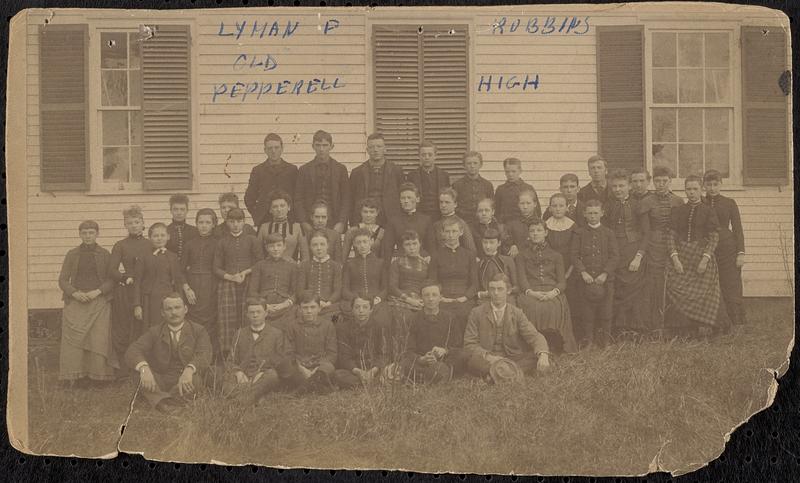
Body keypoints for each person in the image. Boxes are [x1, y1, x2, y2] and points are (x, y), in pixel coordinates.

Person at [665, 176, 730, 335]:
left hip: (701, 256)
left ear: (701, 190)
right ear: (685, 190)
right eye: (688, 189)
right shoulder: (678, 210)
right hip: (682, 256)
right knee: (676, 285)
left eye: (695, 189)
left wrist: (705, 259)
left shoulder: (708, 211)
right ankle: (684, 329)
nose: (692, 193)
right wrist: (675, 258)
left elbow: (714, 236)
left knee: (706, 291)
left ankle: (708, 327)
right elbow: (670, 236)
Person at [125, 294, 212, 414]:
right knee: (137, 375)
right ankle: (171, 403)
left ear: (185, 309)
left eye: (177, 308)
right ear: (162, 313)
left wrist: (189, 370)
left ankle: (161, 402)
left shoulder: (198, 330)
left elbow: (204, 354)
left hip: (186, 379)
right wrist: (144, 368)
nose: (173, 312)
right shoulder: (154, 331)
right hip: (162, 380)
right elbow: (133, 350)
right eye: (169, 309)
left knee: (196, 380)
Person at [58, 220, 118, 385]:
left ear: (97, 234)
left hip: (98, 301)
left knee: (98, 339)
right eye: (84, 233)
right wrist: (75, 293)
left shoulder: (105, 254)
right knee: (74, 341)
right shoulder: (72, 254)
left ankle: (97, 378)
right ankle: (75, 377)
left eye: (91, 232)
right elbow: (63, 279)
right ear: (79, 234)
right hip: (77, 300)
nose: (88, 236)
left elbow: (112, 279)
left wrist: (97, 292)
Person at [463, 274, 551, 380]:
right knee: (471, 360)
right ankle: (511, 373)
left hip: (512, 357)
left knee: (535, 356)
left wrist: (543, 355)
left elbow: (535, 336)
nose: (496, 293)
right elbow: (469, 344)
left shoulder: (516, 313)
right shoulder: (476, 312)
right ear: (488, 291)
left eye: (500, 289)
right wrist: (489, 357)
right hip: (488, 358)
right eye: (492, 289)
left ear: (508, 291)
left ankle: (494, 375)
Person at [516, 219, 577, 353]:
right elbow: (522, 280)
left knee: (554, 305)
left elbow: (562, 282)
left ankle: (555, 343)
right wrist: (532, 293)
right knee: (530, 305)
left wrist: (553, 293)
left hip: (551, 290)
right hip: (531, 291)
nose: (535, 234)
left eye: (539, 230)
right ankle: (533, 344)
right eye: (532, 231)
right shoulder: (521, 255)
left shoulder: (556, 255)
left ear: (546, 233)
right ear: (528, 234)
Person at [213, 207, 264, 358]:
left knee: (246, 316)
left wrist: (245, 272)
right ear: (227, 222)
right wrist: (230, 277)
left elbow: (260, 262)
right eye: (232, 221)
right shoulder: (222, 242)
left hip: (248, 282)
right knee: (228, 319)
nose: (235, 225)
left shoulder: (251, 240)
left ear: (244, 222)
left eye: (239, 221)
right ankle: (229, 355)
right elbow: (216, 268)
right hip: (228, 284)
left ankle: (248, 352)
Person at [604, 170, 649, 334]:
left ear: (629, 186)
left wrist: (638, 257)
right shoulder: (608, 205)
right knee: (617, 289)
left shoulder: (639, 205)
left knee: (634, 290)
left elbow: (646, 233)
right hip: (615, 251)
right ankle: (618, 328)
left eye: (621, 186)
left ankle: (635, 329)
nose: (618, 189)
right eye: (614, 186)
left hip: (633, 250)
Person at [639, 166, 684, 329]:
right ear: (653, 182)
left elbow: (681, 227)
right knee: (656, 282)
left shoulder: (678, 201)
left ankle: (674, 323)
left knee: (674, 281)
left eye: (664, 181)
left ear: (670, 182)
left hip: (675, 244)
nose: (661, 184)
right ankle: (655, 323)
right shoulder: (646, 202)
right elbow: (645, 229)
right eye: (657, 181)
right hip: (654, 245)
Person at [222, 298, 290, 405]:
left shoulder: (277, 334)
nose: (255, 315)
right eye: (252, 312)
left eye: (259, 312)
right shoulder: (239, 333)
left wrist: (262, 372)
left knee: (272, 376)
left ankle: (242, 400)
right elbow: (231, 360)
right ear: (247, 315)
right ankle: (256, 397)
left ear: (266, 313)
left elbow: (280, 360)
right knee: (226, 378)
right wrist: (238, 372)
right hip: (243, 377)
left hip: (263, 376)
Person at [399, 281, 469, 384]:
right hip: (421, 362)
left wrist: (445, 351)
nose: (430, 299)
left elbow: (457, 345)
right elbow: (408, 350)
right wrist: (422, 359)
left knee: (463, 355)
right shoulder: (413, 319)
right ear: (421, 298)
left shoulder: (450, 318)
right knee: (405, 364)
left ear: (440, 297)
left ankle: (432, 376)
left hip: (444, 359)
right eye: (426, 295)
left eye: (434, 295)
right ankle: (438, 376)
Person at [109, 205, 153, 368]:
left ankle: (143, 364)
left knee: (144, 325)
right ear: (125, 225)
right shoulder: (120, 245)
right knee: (125, 326)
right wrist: (125, 277)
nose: (134, 225)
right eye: (130, 223)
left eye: (137, 222)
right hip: (127, 291)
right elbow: (111, 269)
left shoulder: (150, 244)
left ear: (143, 223)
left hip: (145, 290)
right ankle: (123, 365)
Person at [571, 200, 619, 348]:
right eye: (590, 213)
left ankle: (605, 341)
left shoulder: (608, 233)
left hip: (605, 280)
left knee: (606, 312)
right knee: (587, 313)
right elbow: (574, 255)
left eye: (595, 213)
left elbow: (615, 256)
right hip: (585, 280)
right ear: (585, 214)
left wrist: (605, 273)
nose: (592, 216)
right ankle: (589, 341)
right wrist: (583, 272)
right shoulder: (579, 233)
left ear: (602, 213)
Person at [703, 169, 746, 326]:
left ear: (721, 185)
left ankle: (735, 320)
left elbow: (738, 229)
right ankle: (714, 321)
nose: (712, 188)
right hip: (707, 249)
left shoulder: (729, 203)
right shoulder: (700, 202)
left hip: (728, 248)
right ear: (704, 186)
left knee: (730, 282)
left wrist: (741, 252)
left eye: (715, 184)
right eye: (709, 185)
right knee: (710, 284)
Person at [294, 130, 350, 235]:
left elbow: (346, 199)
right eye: (318, 145)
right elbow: (298, 199)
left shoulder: (340, 169)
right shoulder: (304, 170)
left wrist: (341, 222)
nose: (321, 149)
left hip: (334, 221)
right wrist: (304, 222)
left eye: (325, 145)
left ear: (331, 146)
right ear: (313, 146)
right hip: (310, 222)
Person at [181, 208, 220, 354]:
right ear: (196, 224)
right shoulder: (189, 245)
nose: (204, 225)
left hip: (212, 285)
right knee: (194, 322)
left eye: (207, 222)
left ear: (213, 224)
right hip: (193, 285)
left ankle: (211, 358)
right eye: (201, 222)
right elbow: (181, 270)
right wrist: (187, 288)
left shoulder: (218, 244)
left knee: (212, 321)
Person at [428, 216, 478, 330]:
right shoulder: (436, 255)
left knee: (465, 314)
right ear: (442, 233)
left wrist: (465, 297)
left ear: (461, 232)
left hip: (464, 298)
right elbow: (432, 281)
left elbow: (475, 283)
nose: (451, 235)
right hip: (443, 298)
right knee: (442, 316)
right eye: (447, 232)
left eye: (454, 231)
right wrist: (441, 297)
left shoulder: (469, 255)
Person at [133, 222, 185, 330]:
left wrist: (181, 302)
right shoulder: (144, 257)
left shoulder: (172, 257)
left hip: (168, 299)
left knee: (168, 328)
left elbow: (178, 282)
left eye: (162, 235)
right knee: (152, 329)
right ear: (150, 238)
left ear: (168, 237)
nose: (159, 238)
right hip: (149, 300)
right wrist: (137, 305)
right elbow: (137, 282)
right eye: (155, 236)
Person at [283, 292, 338, 393]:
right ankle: (317, 386)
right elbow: (288, 352)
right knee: (288, 369)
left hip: (320, 365)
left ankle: (302, 389)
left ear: (319, 308)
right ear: (299, 308)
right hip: (299, 366)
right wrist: (301, 368)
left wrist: (317, 368)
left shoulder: (328, 325)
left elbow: (332, 353)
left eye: (313, 307)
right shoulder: (292, 326)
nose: (309, 311)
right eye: (305, 307)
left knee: (329, 368)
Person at [386, 230, 429, 353]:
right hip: (401, 299)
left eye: (414, 244)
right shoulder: (397, 263)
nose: (412, 248)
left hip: (420, 300)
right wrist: (409, 300)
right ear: (403, 247)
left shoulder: (426, 264)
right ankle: (400, 354)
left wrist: (421, 300)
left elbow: (428, 284)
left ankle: (420, 353)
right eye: (408, 244)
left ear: (420, 244)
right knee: (405, 318)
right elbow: (392, 287)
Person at [244, 133, 299, 228]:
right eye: (270, 148)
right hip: (265, 219)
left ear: (282, 149)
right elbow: (249, 198)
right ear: (265, 150)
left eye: (276, 147)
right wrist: (258, 213)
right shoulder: (258, 170)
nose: (273, 151)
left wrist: (292, 213)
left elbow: (297, 195)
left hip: (288, 218)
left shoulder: (292, 170)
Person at [334, 296, 389, 389]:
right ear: (352, 309)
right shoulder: (343, 328)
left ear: (371, 309)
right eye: (357, 307)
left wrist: (373, 371)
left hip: (375, 369)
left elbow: (383, 354)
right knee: (337, 375)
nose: (361, 311)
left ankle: (365, 383)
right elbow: (344, 357)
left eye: (365, 307)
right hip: (354, 371)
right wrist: (359, 372)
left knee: (391, 371)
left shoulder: (380, 327)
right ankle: (372, 383)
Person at [544, 193, 579, 341]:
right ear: (550, 208)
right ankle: (552, 335)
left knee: (571, 300)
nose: (558, 209)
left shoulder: (573, 225)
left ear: (567, 208)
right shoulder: (545, 225)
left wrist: (567, 273)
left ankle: (571, 336)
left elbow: (575, 252)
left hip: (569, 270)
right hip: (550, 270)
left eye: (561, 206)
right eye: (554, 206)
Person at [349, 132, 404, 227]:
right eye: (371, 147)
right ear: (367, 150)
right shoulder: (357, 172)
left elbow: (402, 195)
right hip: (366, 217)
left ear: (385, 149)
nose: (375, 150)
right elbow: (351, 200)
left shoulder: (396, 171)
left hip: (390, 218)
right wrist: (354, 222)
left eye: (379, 146)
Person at [247, 233, 298, 332]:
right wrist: (264, 305)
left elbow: (295, 292)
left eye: (279, 245)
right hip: (265, 303)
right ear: (266, 248)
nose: (275, 249)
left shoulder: (292, 266)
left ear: (284, 246)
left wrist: (285, 304)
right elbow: (252, 291)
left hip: (284, 305)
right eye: (271, 246)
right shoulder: (259, 266)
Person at [297, 231, 342, 324]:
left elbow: (338, 290)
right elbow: (300, 290)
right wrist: (312, 302)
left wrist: (328, 302)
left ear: (328, 245)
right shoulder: (304, 266)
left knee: (336, 321)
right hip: (309, 305)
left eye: (322, 244)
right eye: (315, 245)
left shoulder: (335, 266)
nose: (319, 248)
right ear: (310, 247)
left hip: (330, 306)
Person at [382, 183, 435, 259]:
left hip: (422, 260)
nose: (406, 201)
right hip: (400, 260)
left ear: (417, 199)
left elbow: (432, 247)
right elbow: (387, 248)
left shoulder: (426, 220)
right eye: (403, 198)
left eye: (409, 197)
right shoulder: (393, 221)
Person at [341, 228, 387, 310]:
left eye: (365, 241)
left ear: (371, 241)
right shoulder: (349, 264)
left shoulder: (381, 263)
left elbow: (385, 288)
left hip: (376, 302)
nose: (362, 245)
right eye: (359, 242)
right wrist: (355, 299)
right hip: (355, 302)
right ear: (354, 244)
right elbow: (345, 290)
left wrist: (377, 299)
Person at [257, 190, 309, 262]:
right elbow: (258, 255)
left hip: (291, 269)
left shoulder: (297, 227)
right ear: (270, 210)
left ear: (289, 207)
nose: (279, 209)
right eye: (275, 207)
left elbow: (305, 256)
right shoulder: (264, 228)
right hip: (269, 270)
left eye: (282, 206)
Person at [405, 141, 451, 219]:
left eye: (430, 155)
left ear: (435, 156)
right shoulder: (412, 176)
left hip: (439, 215)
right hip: (419, 216)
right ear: (419, 156)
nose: (427, 157)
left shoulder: (444, 175)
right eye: (423, 155)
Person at [477, 228, 518, 304]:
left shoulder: (508, 261)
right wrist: (481, 294)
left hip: (506, 299)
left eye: (492, 242)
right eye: (485, 242)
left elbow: (516, 286)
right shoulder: (479, 264)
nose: (488, 246)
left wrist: (507, 291)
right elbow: (476, 288)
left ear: (499, 243)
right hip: (485, 300)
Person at [452, 151, 494, 225]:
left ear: (480, 165)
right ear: (464, 165)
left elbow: (491, 205)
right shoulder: (457, 185)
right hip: (464, 223)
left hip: (482, 223)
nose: (472, 166)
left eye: (475, 163)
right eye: (469, 163)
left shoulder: (487, 185)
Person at [494, 157, 541, 223]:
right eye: (507, 172)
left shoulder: (528, 188)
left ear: (520, 171)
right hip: (506, 226)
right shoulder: (500, 189)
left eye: (513, 171)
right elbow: (496, 212)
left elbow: (537, 211)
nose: (510, 174)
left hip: (524, 225)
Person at [432, 187, 477, 255]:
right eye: (441, 202)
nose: (443, 205)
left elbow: (471, 250)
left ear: (455, 204)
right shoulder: (436, 225)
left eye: (447, 202)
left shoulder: (461, 223)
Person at [506, 189, 540, 257]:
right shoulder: (512, 224)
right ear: (518, 204)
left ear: (535, 204)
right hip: (518, 260)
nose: (525, 207)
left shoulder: (540, 223)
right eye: (522, 203)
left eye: (528, 203)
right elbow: (507, 240)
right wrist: (512, 245)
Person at [166, 194, 199, 261]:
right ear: (171, 211)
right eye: (175, 209)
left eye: (182, 209)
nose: (179, 213)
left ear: (187, 211)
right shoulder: (165, 231)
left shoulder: (194, 231)